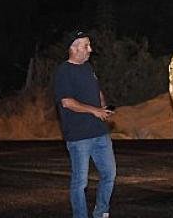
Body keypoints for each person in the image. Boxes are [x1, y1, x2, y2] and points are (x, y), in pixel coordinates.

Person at [54, 30, 116, 218]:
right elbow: (67, 102)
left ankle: (101, 212)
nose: (90, 49)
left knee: (109, 174)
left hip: (99, 132)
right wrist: (94, 110)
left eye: (89, 45)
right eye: (85, 46)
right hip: (79, 136)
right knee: (80, 182)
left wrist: (103, 106)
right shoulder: (63, 71)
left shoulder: (88, 68)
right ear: (73, 48)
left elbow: (97, 92)